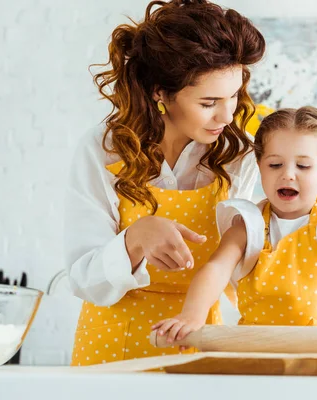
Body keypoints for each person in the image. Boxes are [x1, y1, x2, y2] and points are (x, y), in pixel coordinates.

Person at [64, 0, 266, 366]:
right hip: (112, 346)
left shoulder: (238, 156)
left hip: (199, 340)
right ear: (160, 92)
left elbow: (238, 264)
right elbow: (82, 279)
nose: (227, 115)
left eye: (234, 95)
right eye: (209, 102)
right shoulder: (104, 150)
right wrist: (134, 240)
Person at [152, 106, 317, 353]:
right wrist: (192, 316)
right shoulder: (246, 225)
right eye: (275, 165)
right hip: (255, 352)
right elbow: (216, 268)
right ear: (260, 165)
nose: (288, 175)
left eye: (303, 166)